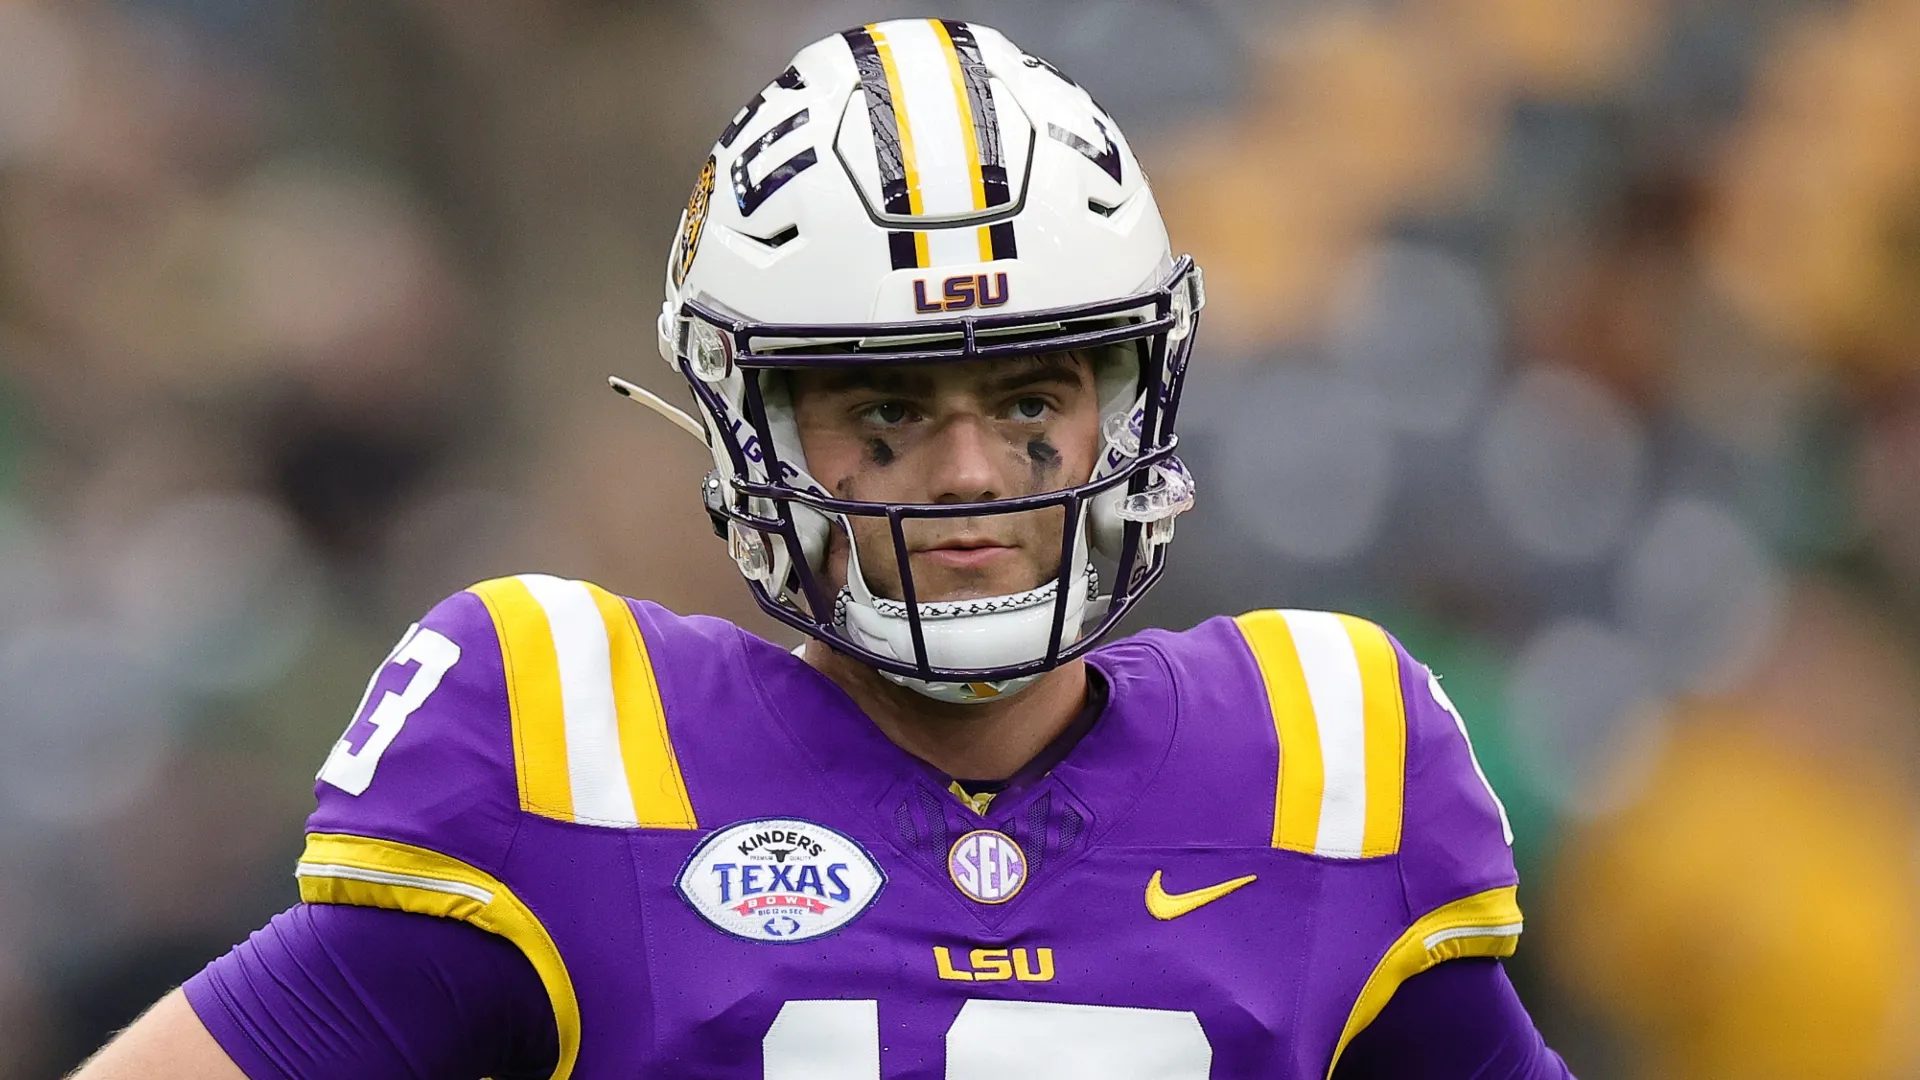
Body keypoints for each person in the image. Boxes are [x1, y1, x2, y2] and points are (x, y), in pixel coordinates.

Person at [73, 19, 1571, 1080]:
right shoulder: (566, 744)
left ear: (1127, 401)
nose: (969, 473)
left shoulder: (1328, 762)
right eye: (887, 409)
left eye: (1030, 398)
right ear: (755, 430)